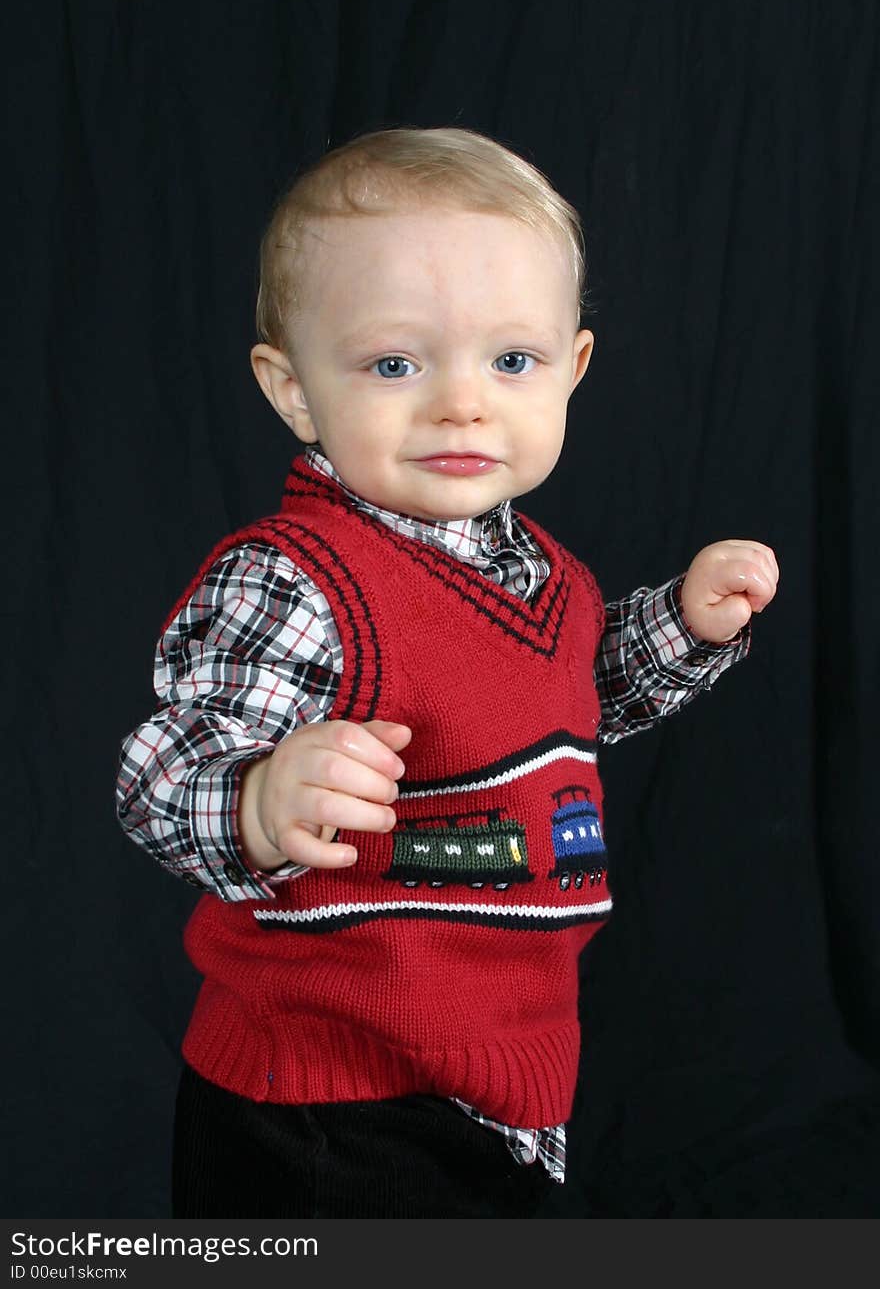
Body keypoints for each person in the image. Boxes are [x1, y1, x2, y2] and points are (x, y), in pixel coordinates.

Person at [116, 126, 778, 1219]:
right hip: (327, 1098)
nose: (460, 402)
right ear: (292, 391)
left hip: (498, 1070)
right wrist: (256, 795)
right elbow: (163, 768)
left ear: (570, 369)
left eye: (509, 362)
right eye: (393, 364)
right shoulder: (298, 580)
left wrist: (683, 629)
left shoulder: (545, 576)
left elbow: (568, 699)